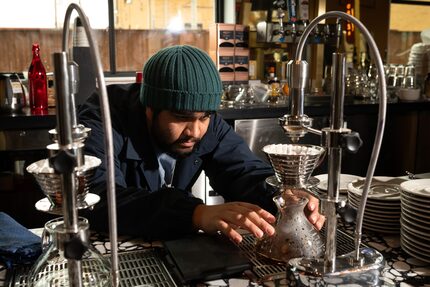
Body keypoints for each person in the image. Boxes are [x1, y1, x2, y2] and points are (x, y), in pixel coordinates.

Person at [78, 45, 325, 243]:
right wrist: (195, 213)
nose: (195, 131)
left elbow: (242, 170)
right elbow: (95, 196)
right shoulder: (104, 118)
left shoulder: (205, 120)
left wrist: (280, 196)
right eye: (181, 118)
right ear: (150, 109)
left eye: (204, 117)